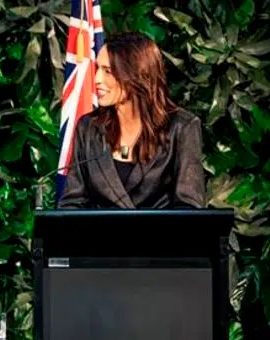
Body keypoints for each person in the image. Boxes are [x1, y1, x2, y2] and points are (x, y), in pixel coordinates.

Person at [58, 32, 206, 209]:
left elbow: (189, 208)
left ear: (136, 74)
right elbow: (72, 203)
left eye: (108, 71)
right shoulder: (89, 126)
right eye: (97, 69)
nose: (97, 79)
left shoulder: (182, 127)